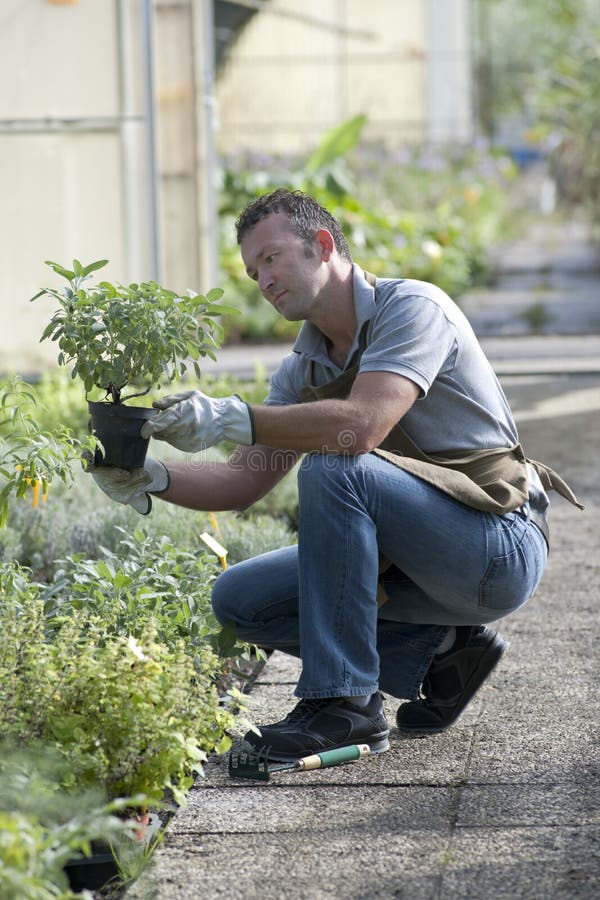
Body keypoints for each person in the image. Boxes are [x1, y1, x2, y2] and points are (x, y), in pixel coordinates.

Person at [91, 188, 581, 762]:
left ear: (322, 245)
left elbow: (363, 426)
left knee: (334, 466)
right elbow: (239, 483)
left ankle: (345, 706)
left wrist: (233, 417)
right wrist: (151, 477)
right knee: (241, 599)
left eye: (271, 259)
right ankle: (444, 649)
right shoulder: (305, 366)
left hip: (496, 544)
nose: (263, 280)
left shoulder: (414, 308)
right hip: (417, 570)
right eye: (253, 272)